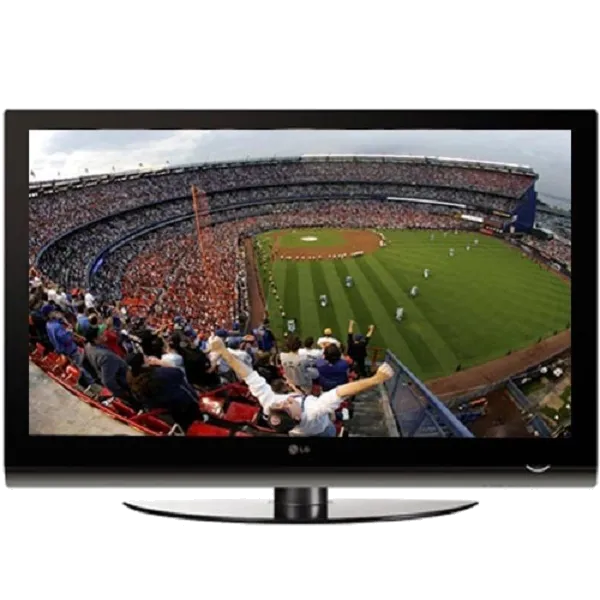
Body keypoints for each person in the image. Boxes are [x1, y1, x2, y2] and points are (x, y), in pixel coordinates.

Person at [208, 335, 394, 437]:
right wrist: (375, 380)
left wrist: (225, 352)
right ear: (297, 416)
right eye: (287, 406)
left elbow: (248, 375)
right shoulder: (312, 410)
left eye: (279, 404)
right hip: (322, 431)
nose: (285, 401)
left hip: (299, 433)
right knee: (330, 428)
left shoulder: (270, 404)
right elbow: (340, 392)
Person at [126, 352, 203, 432]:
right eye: (145, 357)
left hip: (162, 411)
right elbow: (179, 373)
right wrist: (160, 362)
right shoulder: (158, 374)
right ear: (143, 364)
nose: (148, 357)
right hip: (181, 407)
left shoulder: (131, 377)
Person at [83, 327, 132, 401]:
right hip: (124, 382)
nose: (104, 334)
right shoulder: (105, 356)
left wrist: (96, 377)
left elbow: (85, 363)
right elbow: (107, 381)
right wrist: (121, 392)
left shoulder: (88, 346)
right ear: (95, 339)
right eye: (101, 334)